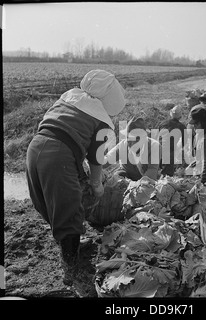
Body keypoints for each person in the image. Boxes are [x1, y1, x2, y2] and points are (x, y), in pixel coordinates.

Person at [26, 69, 126, 286]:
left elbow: (63, 133)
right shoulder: (99, 118)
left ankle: (69, 243)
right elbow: (96, 158)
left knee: (49, 202)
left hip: (36, 147)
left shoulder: (70, 98)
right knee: (69, 207)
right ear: (109, 97)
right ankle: (71, 267)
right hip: (58, 155)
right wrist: (96, 184)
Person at [105, 117, 162, 181]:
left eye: (136, 139)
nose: (132, 143)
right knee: (116, 178)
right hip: (126, 174)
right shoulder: (123, 145)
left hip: (145, 177)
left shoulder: (154, 146)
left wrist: (137, 186)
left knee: (147, 186)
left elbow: (152, 171)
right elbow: (107, 159)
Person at [185, 106, 206, 183]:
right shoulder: (201, 133)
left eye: (196, 124)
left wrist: (203, 183)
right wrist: (194, 163)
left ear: (202, 123)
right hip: (198, 174)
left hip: (203, 178)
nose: (194, 126)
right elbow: (201, 156)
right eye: (193, 124)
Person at [158, 105, 186, 176]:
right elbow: (184, 142)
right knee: (167, 175)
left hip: (157, 147)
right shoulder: (181, 126)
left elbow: (156, 135)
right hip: (169, 150)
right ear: (180, 116)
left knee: (156, 171)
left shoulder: (162, 123)